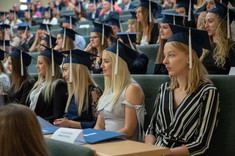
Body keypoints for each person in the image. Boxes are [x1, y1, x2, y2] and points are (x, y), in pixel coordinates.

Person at [145, 24, 219, 155]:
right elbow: (151, 130)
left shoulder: (208, 92)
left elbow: (201, 144)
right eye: (164, 55)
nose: (164, 61)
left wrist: (165, 153)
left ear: (188, 58)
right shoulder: (164, 89)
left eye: (171, 55)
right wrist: (150, 150)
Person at [94, 39, 145, 142]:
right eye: (102, 61)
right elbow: (99, 125)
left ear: (119, 65)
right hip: (107, 141)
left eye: (106, 62)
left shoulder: (132, 88)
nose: (101, 66)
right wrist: (93, 139)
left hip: (124, 143)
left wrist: (103, 138)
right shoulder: (109, 88)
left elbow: (129, 130)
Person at [54, 49, 102, 128]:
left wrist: (70, 123)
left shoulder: (94, 92)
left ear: (77, 70)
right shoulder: (74, 91)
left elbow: (98, 125)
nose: (63, 75)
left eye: (65, 70)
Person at [28, 45, 67, 123]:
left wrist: (35, 121)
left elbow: (57, 115)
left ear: (50, 66)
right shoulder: (38, 84)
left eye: (40, 63)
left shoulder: (59, 85)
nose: (36, 66)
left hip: (44, 127)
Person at [201, 2, 235, 74]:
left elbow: (232, 78)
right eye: (205, 22)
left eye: (210, 21)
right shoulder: (205, 47)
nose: (206, 26)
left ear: (221, 24)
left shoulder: (231, 49)